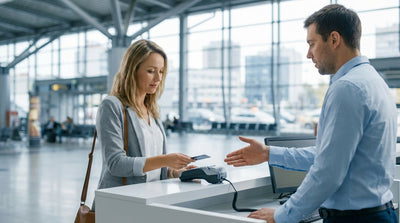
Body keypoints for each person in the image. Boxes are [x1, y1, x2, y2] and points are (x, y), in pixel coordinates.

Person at [225, 4, 397, 223]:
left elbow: (328, 172)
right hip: (376, 214)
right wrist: (269, 153)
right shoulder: (373, 81)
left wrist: (283, 215)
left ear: (334, 40)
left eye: (312, 44)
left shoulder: (348, 88)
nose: (308, 54)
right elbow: (328, 156)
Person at [93, 39, 195, 210]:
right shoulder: (112, 106)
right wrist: (165, 160)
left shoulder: (152, 109)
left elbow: (152, 170)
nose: (158, 78)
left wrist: (174, 172)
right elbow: (116, 163)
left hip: (150, 202)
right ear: (132, 70)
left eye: (161, 72)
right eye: (151, 71)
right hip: (120, 204)